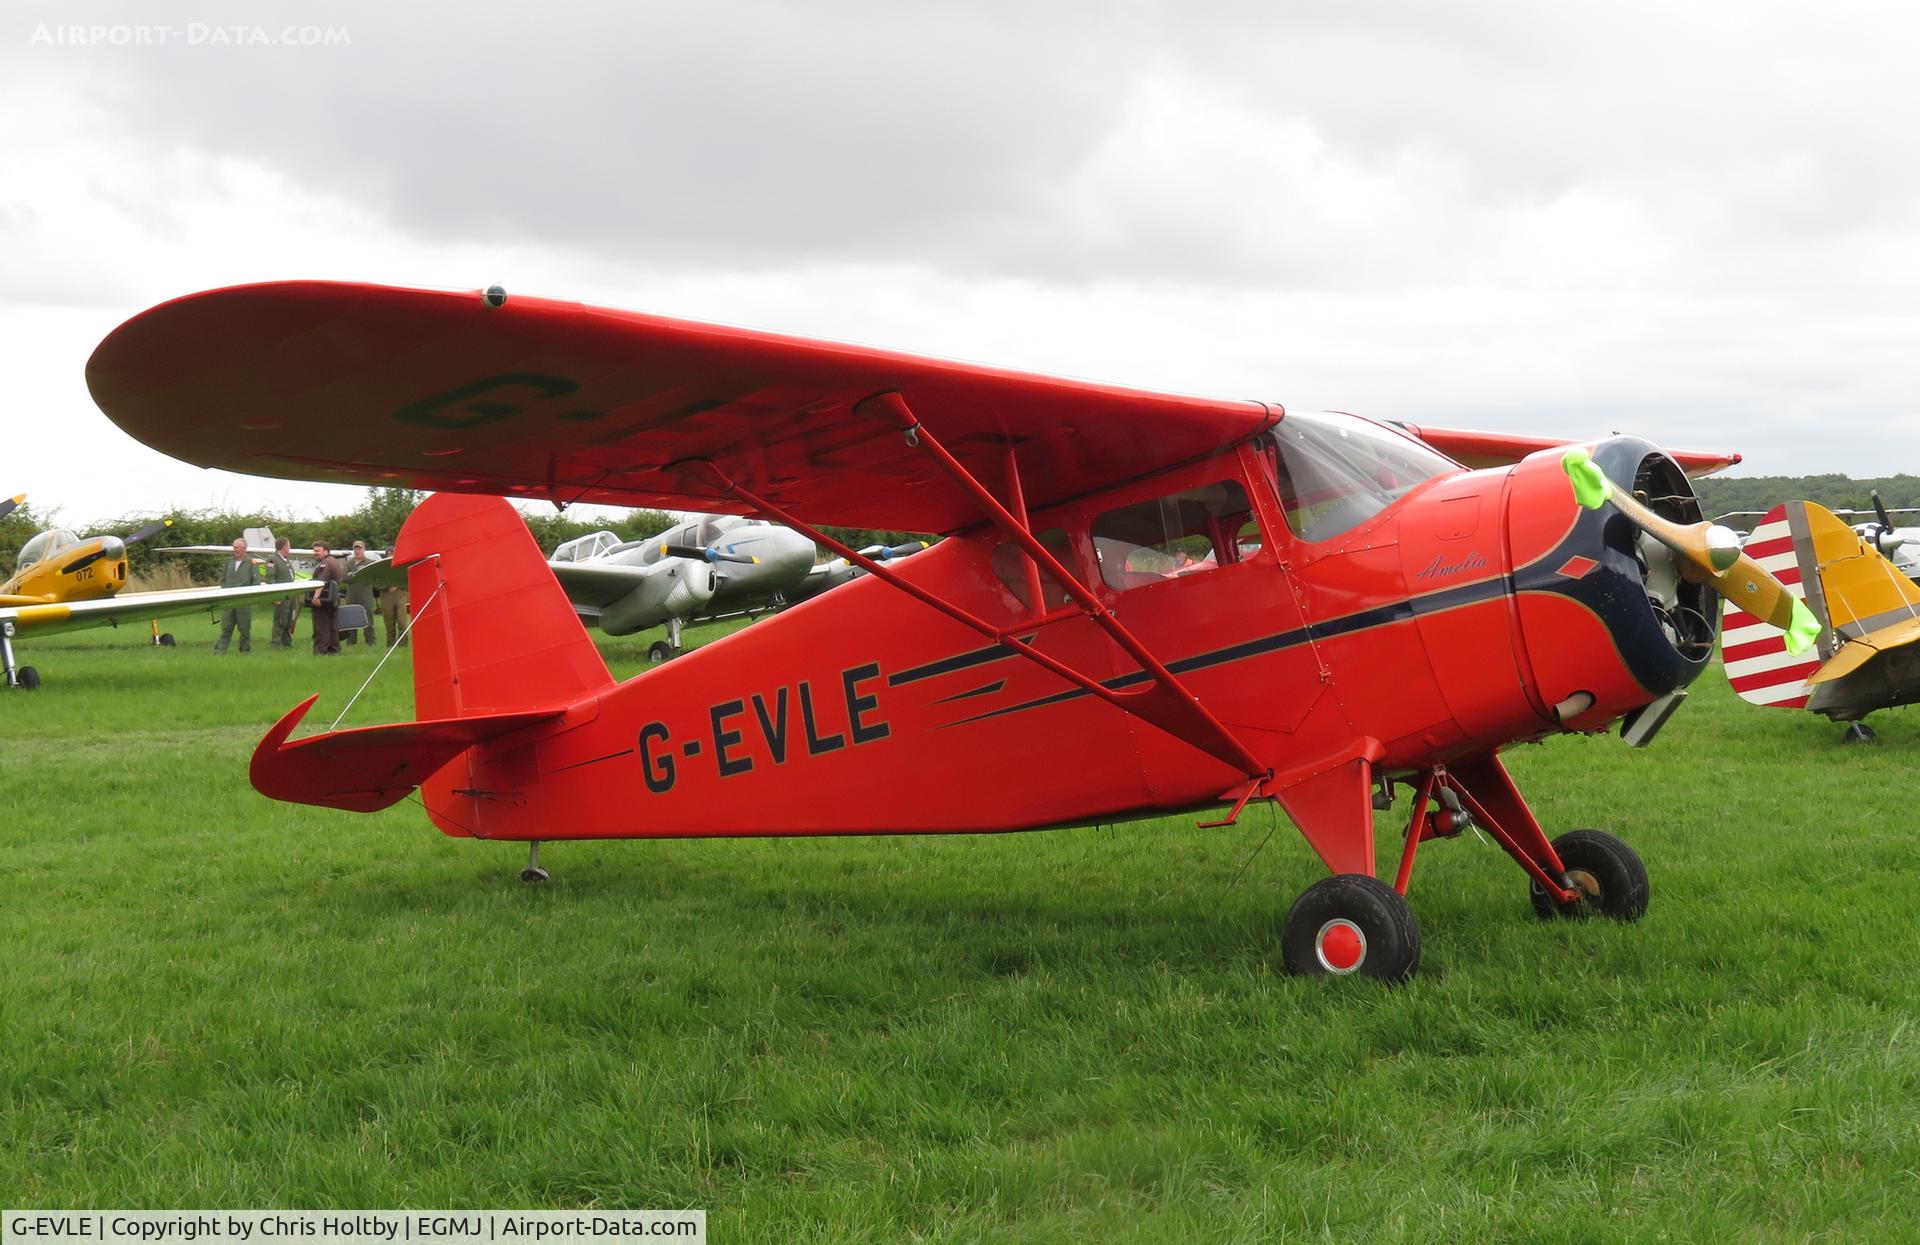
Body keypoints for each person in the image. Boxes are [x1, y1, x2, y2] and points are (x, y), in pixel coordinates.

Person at [212, 537, 257, 653]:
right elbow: (223, 580)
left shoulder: (251, 563)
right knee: (226, 628)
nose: (234, 550)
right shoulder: (229, 562)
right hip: (229, 602)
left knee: (244, 629)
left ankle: (245, 651)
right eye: (234, 547)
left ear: (243, 549)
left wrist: (248, 597)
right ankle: (219, 652)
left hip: (243, 603)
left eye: (236, 548)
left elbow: (256, 583)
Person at [309, 540, 345, 655]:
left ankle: (321, 651)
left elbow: (321, 581)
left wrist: (315, 597)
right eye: (314, 551)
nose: (315, 553)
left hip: (324, 600)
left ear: (326, 551)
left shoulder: (325, 563)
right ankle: (334, 650)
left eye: (318, 551)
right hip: (333, 599)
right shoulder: (334, 561)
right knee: (332, 626)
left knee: (321, 626)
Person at [343, 540, 378, 646]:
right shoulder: (348, 563)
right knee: (351, 618)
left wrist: (353, 575)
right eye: (355, 548)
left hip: (366, 595)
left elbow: (372, 578)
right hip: (352, 595)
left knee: (368, 618)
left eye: (360, 548)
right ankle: (351, 643)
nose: (357, 551)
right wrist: (355, 575)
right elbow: (344, 578)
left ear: (364, 549)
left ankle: (371, 642)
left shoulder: (370, 563)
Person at [266, 536, 298, 648]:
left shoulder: (286, 560)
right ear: (284, 547)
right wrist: (276, 595)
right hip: (281, 596)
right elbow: (270, 578)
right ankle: (275, 644)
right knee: (280, 620)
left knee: (289, 619)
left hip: (290, 596)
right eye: (289, 546)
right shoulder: (272, 559)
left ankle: (287, 644)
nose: (290, 548)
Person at [379, 581, 411, 649]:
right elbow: (376, 582)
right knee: (389, 624)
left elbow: (406, 579)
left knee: (402, 622)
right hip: (386, 596)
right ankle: (391, 645)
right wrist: (387, 586)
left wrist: (397, 585)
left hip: (400, 595)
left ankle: (403, 645)